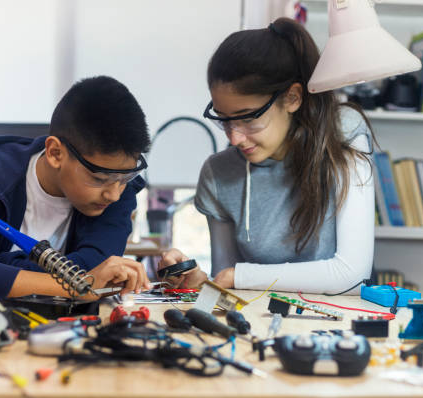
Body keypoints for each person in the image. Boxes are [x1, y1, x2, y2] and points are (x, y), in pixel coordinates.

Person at [158, 18, 375, 294]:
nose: (234, 138)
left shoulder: (343, 135)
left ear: (293, 98)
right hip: (257, 331)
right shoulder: (219, 173)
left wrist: (240, 277)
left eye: (247, 119)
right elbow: (226, 287)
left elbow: (352, 275)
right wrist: (203, 285)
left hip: (336, 329)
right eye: (224, 120)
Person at [0, 76, 151, 298]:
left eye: (125, 178)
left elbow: (93, 268)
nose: (113, 194)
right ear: (55, 153)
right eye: (99, 178)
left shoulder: (119, 194)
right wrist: (72, 286)